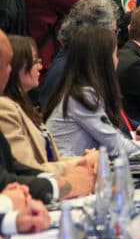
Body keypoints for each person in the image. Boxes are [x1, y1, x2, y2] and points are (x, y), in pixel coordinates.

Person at [46, 26, 140, 158]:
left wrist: (139, 134)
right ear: (102, 60)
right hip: (73, 175)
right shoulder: (82, 96)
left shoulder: (84, 91)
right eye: (115, 55)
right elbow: (117, 147)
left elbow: (111, 137)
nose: (117, 60)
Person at [0, 30, 91, 203]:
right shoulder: (5, 108)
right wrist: (76, 169)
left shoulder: (26, 107)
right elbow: (25, 167)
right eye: (35, 61)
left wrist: (81, 162)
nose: (40, 67)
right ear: (16, 68)